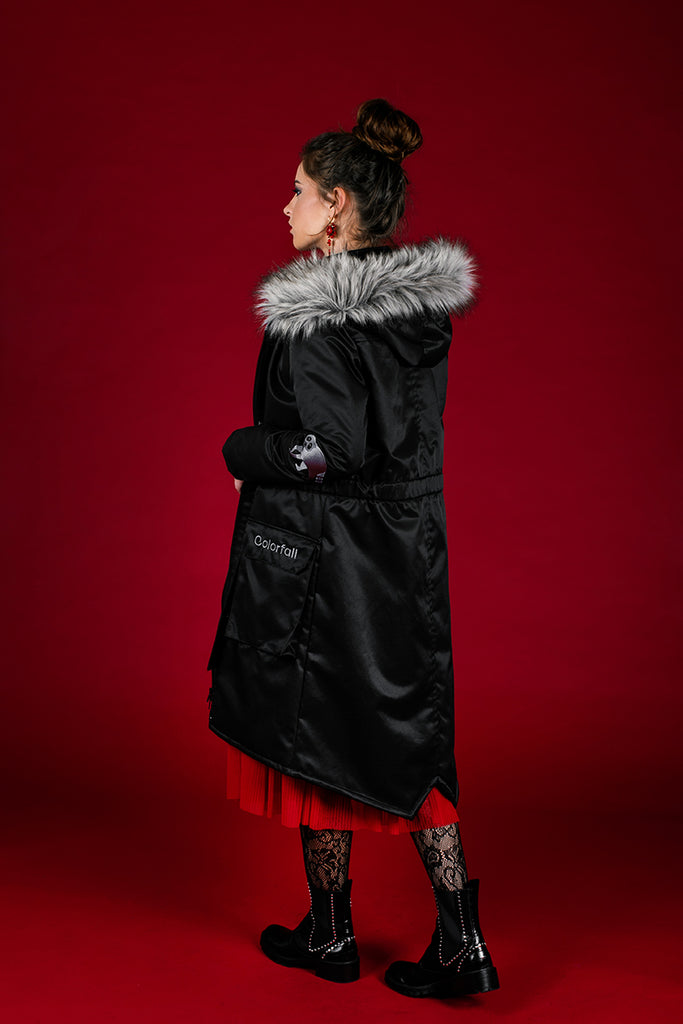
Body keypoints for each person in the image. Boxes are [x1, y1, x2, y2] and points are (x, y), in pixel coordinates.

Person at [206, 98, 499, 1000]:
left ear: (335, 205)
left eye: (297, 190)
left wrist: (243, 450)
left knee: (311, 727)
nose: (284, 205)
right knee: (403, 731)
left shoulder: (317, 313)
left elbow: (329, 450)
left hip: (326, 558)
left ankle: (352, 934)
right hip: (404, 552)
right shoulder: (411, 312)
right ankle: (414, 937)